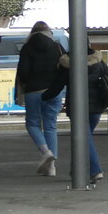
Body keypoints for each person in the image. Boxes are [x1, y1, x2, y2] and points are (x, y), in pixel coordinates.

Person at [43, 44, 108, 184]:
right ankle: (75, 170)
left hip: (77, 108)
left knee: (84, 139)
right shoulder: (98, 61)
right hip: (96, 108)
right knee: (83, 138)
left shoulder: (68, 63)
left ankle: (95, 171)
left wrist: (44, 96)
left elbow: (57, 86)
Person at [15, 21, 66, 176]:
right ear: (49, 32)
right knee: (50, 125)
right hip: (54, 91)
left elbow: (23, 72)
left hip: (33, 91)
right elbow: (64, 67)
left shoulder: (27, 47)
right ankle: (51, 168)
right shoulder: (58, 47)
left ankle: (45, 152)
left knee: (32, 124)